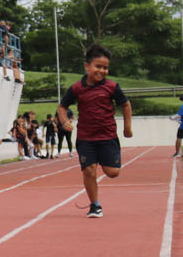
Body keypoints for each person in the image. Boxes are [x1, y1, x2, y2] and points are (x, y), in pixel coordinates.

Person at [57, 43, 133, 218]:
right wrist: (64, 121)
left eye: (105, 68)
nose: (102, 71)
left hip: (107, 136)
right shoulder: (76, 88)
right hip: (86, 137)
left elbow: (126, 105)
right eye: (98, 66)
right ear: (87, 66)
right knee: (89, 170)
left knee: (112, 172)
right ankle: (95, 205)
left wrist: (127, 127)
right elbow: (62, 107)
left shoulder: (112, 87)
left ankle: (102, 160)